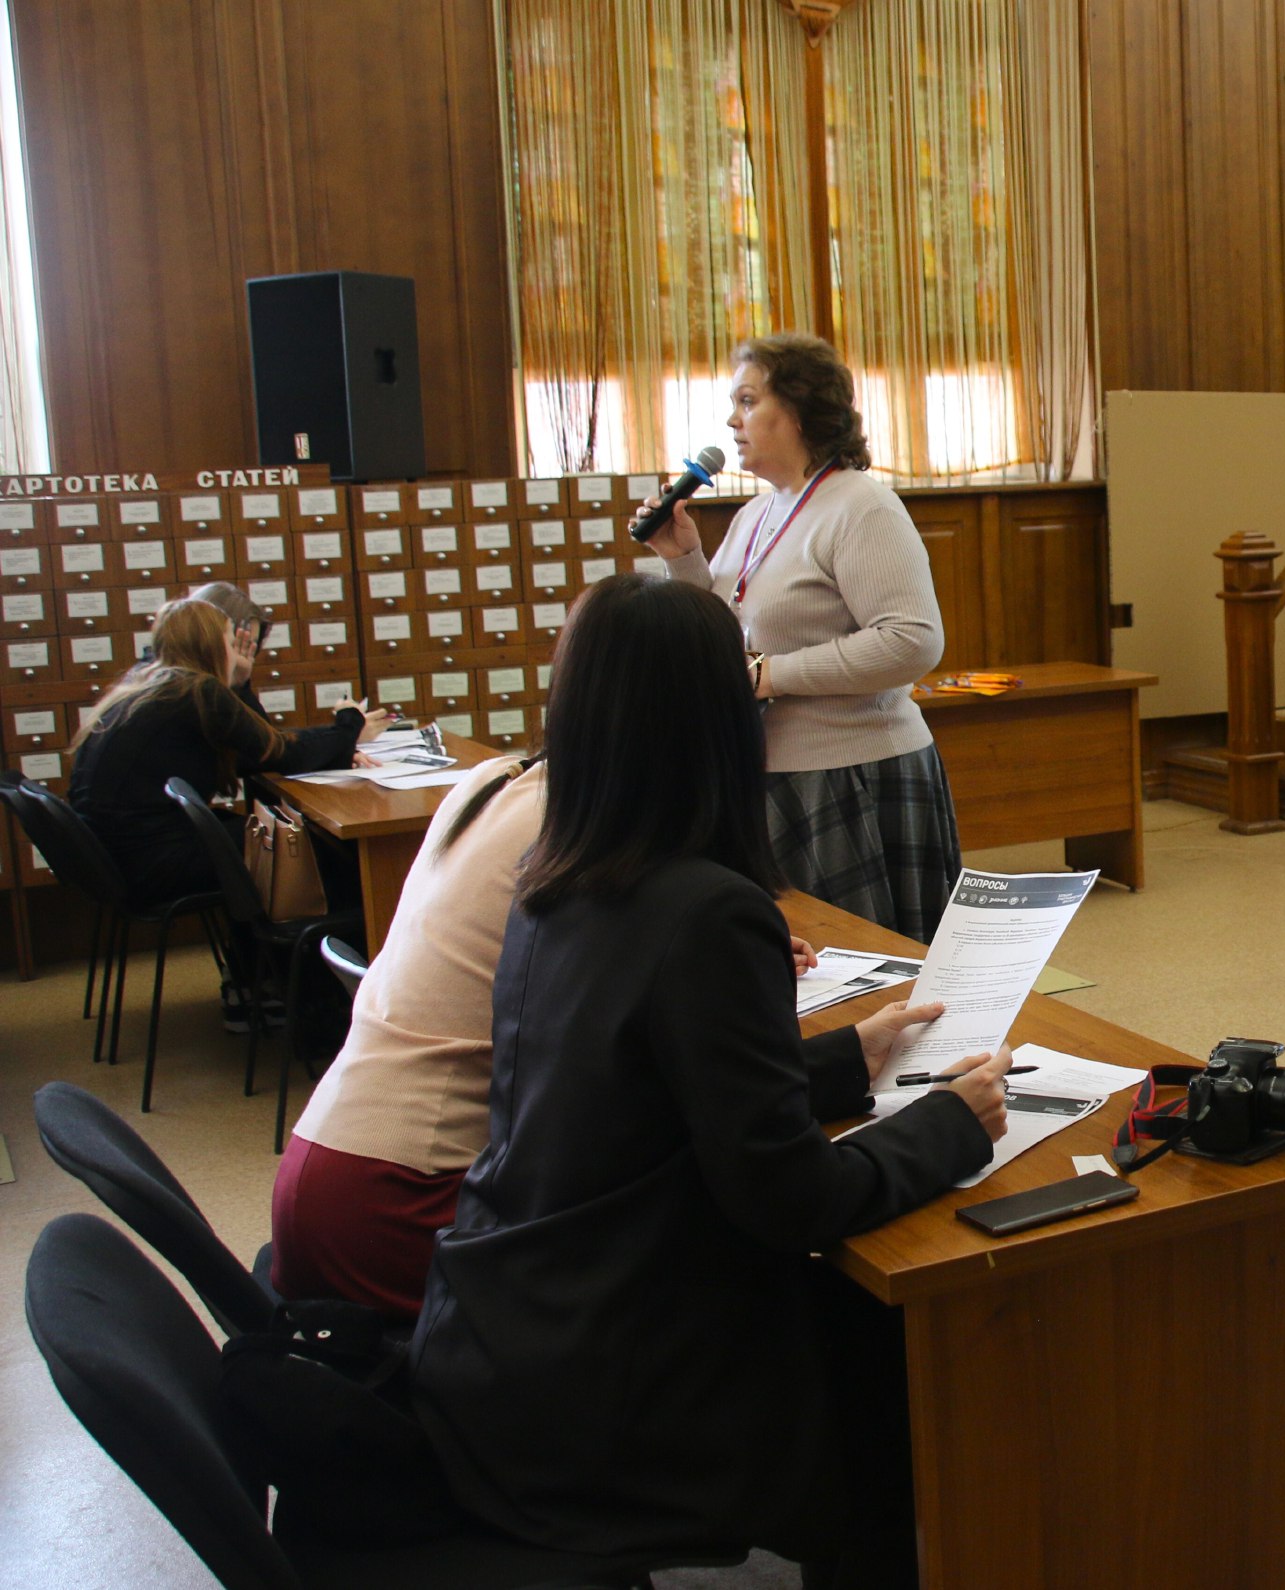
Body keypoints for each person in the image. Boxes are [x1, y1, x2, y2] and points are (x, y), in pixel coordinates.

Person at [408, 574, 1009, 1584]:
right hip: (613, 1379)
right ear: (718, 723)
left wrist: (841, 1060)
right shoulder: (706, 910)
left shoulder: (557, 881)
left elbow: (640, 1092)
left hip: (507, 1336)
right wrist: (951, 1121)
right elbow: (791, 1199)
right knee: (904, 1362)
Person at [270, 739, 943, 1319]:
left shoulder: (499, 781)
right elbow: (755, 1159)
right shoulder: (591, 829)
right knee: (744, 1260)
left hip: (325, 1166)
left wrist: (839, 1058)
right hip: (410, 1200)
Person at [641, 331, 965, 942]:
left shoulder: (862, 507)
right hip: (765, 768)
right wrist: (684, 561)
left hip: (854, 773)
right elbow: (725, 636)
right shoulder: (755, 515)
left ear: (799, 410)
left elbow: (911, 642)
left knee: (870, 970)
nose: (731, 421)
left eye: (747, 402)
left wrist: (772, 676)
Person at [65, 598, 388, 1025]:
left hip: (119, 856)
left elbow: (256, 749)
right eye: (228, 638)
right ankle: (323, 1002)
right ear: (209, 643)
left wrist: (239, 680)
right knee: (309, 852)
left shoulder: (154, 684)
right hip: (149, 859)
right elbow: (280, 752)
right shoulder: (193, 691)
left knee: (260, 837)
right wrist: (348, 724)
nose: (235, 645)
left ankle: (257, 986)